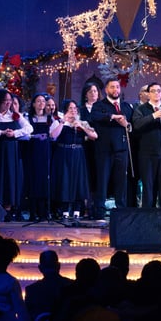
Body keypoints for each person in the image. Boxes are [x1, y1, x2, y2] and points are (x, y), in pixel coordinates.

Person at [0, 89, 33, 221]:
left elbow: (29, 128)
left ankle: (8, 210)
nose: (8, 104)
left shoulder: (15, 116)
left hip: (11, 153)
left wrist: (14, 133)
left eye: (10, 101)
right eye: (5, 101)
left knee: (9, 180)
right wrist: (1, 133)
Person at [88, 77, 135, 218]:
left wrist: (127, 125)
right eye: (112, 87)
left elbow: (132, 125)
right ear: (106, 90)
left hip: (122, 149)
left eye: (117, 87)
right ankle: (99, 211)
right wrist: (113, 116)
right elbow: (95, 117)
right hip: (104, 150)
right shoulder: (99, 105)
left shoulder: (126, 106)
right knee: (102, 181)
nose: (115, 90)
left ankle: (121, 210)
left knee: (121, 181)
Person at [49, 99, 97, 221]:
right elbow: (53, 135)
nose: (73, 111)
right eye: (70, 108)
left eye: (75, 108)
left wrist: (82, 127)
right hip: (64, 154)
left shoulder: (82, 123)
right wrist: (63, 121)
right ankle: (65, 211)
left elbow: (94, 136)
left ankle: (77, 211)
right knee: (65, 181)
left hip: (78, 154)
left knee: (78, 181)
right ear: (65, 110)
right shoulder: (59, 122)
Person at [24, 93, 54, 221]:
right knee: (33, 179)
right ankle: (32, 212)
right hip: (32, 151)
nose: (41, 103)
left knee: (44, 180)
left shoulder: (50, 118)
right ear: (33, 104)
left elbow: (54, 135)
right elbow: (24, 135)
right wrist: (35, 136)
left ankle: (43, 212)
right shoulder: (28, 118)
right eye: (38, 101)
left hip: (45, 151)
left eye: (43, 101)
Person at [24, 249, 73, 321]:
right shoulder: (71, 285)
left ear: (40, 268)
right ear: (58, 266)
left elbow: (28, 317)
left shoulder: (31, 290)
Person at [80, 82, 102, 215]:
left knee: (99, 175)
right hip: (86, 146)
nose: (93, 93)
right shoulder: (81, 110)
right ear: (85, 95)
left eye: (95, 91)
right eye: (90, 91)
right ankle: (86, 206)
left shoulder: (102, 108)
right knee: (87, 175)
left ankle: (98, 206)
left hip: (100, 146)